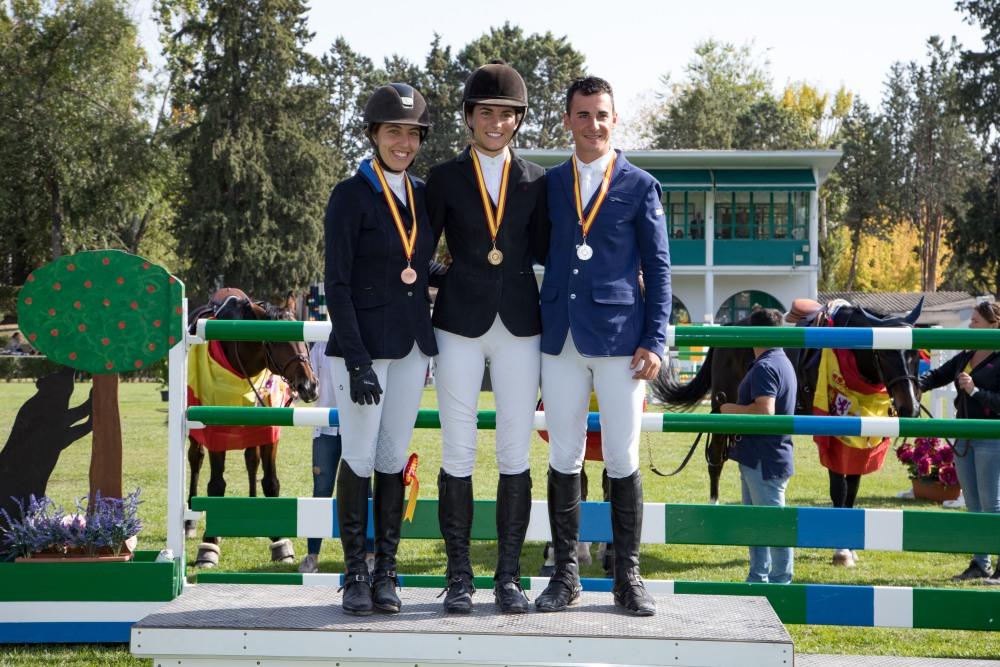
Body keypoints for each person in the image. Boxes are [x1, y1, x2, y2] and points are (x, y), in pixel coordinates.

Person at [534, 76, 670, 616]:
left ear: (616, 120)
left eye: (602, 114)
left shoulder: (641, 185)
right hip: (560, 338)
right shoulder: (544, 184)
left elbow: (659, 270)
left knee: (621, 457)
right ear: (567, 120)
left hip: (621, 343)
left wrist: (655, 338)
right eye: (583, 114)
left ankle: (626, 576)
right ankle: (564, 574)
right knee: (563, 455)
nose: (593, 124)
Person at [425, 61, 548, 614]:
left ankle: (508, 577)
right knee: (458, 448)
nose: (495, 123)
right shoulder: (446, 178)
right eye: (485, 114)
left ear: (518, 120)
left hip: (520, 325)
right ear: (469, 118)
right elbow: (418, 247)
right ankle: (457, 577)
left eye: (506, 115)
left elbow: (550, 249)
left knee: (514, 451)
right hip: (458, 325)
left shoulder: (538, 180)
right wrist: (433, 277)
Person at [324, 83, 438, 615]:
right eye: (394, 131)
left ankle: (387, 570)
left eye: (413, 133)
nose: (404, 142)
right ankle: (354, 572)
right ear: (374, 134)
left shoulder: (421, 195)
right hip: (363, 350)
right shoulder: (350, 196)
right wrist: (357, 358)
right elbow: (337, 284)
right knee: (360, 455)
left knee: (394, 458)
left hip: (413, 346)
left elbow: (412, 269)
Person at [919, 300, 1000, 583]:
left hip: (992, 437)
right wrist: (913, 385)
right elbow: (937, 375)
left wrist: (975, 391)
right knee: (974, 504)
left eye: (976, 321)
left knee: (992, 505)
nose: (971, 325)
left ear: (994, 325)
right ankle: (981, 563)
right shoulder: (967, 354)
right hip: (965, 437)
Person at [719, 307, 798, 584]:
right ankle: (760, 576)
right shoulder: (781, 362)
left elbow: (765, 411)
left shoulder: (765, 366)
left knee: (771, 524)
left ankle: (779, 579)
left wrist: (728, 409)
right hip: (765, 456)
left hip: (762, 458)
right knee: (759, 522)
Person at [297, 339, 375, 575]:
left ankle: (370, 554)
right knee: (321, 490)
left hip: (358, 425)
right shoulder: (319, 344)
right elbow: (310, 387)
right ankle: (312, 555)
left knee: (365, 489)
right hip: (325, 427)